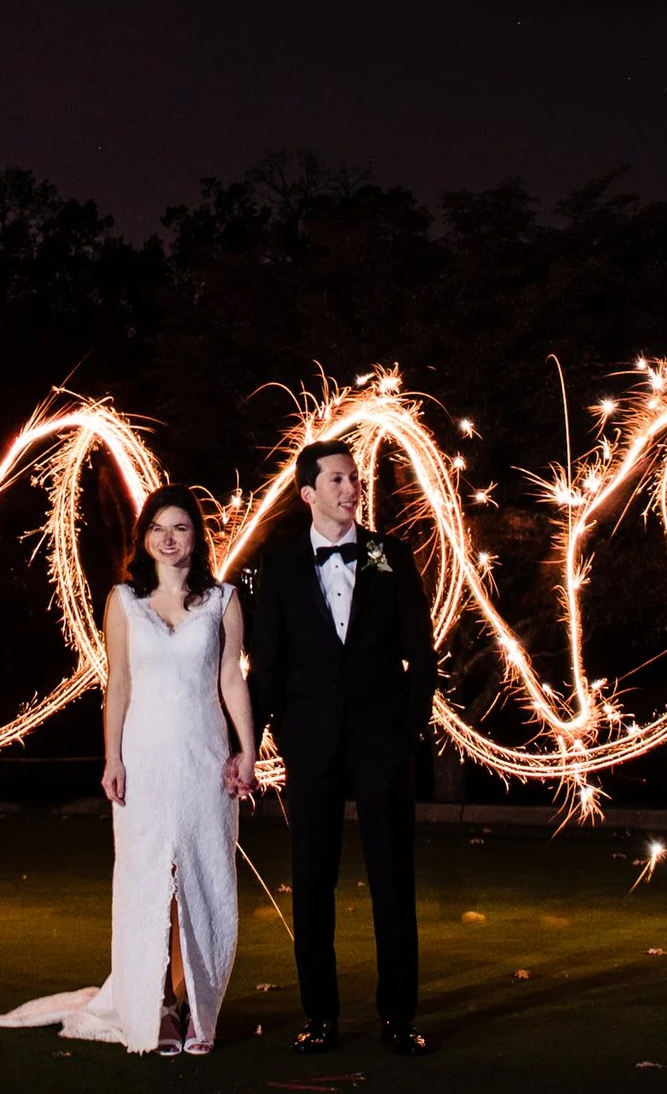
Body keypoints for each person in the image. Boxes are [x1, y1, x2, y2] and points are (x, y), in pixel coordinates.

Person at [0, 487, 257, 1055]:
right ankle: (151, 1006)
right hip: (145, 757)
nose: (168, 538)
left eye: (180, 527)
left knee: (204, 880)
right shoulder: (124, 601)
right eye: (158, 528)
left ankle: (197, 1007)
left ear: (196, 536)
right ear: (144, 537)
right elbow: (120, 684)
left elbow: (231, 678)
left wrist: (248, 750)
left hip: (204, 757)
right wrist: (112, 758)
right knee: (146, 880)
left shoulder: (223, 600)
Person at [245, 439, 437, 1056]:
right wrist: (257, 741)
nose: (351, 488)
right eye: (336, 479)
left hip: (383, 746)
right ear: (308, 492)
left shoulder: (388, 555)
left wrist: (409, 726)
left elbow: (422, 652)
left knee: (392, 881)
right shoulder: (279, 567)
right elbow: (267, 667)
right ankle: (320, 1017)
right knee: (311, 881)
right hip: (312, 748)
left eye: (353, 478)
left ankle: (398, 1018)